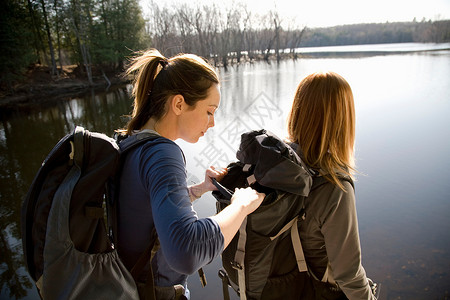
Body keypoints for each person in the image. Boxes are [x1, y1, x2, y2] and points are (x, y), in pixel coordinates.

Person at [116, 49, 265, 299]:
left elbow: (140, 209)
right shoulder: (163, 154)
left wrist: (198, 189)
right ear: (178, 104)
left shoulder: (129, 142)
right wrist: (240, 207)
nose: (213, 123)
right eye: (209, 111)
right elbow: (187, 251)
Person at [287, 71, 377, 300]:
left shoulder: (276, 167)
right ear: (341, 119)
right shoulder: (334, 187)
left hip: (281, 286)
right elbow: (350, 276)